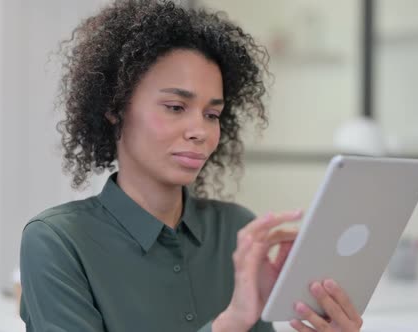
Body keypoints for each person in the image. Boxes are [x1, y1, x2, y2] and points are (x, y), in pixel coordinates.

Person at [19, 1, 363, 331]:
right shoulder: (58, 243)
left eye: (212, 114)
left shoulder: (236, 230)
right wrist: (229, 324)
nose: (200, 131)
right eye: (174, 107)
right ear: (115, 108)